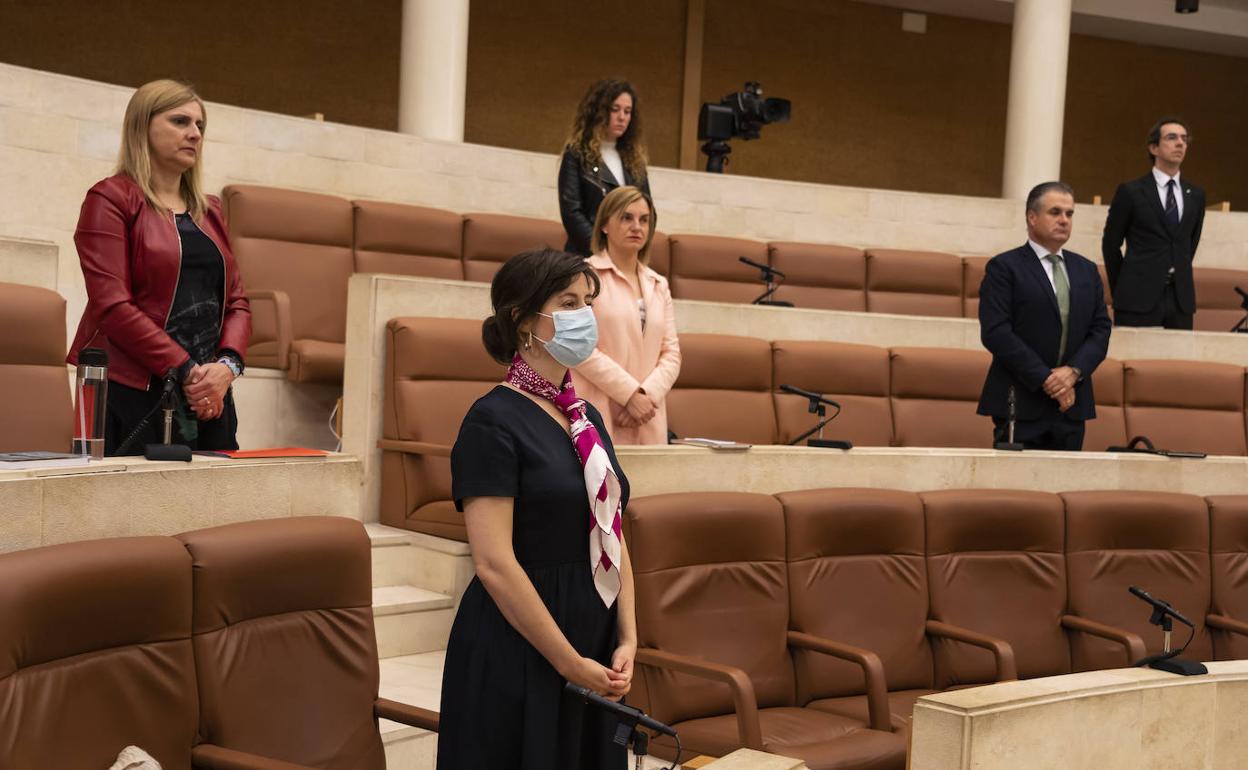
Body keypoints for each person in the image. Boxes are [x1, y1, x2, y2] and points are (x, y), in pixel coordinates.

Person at [438, 248, 635, 770]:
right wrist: (569, 662)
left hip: (592, 641)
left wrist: (628, 637)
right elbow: (494, 563)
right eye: (568, 302)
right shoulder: (491, 420)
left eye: (589, 302)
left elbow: (612, 530)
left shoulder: (585, 414)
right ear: (523, 319)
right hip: (521, 645)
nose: (585, 316)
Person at [67, 79, 250, 455]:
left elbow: (237, 302)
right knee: (132, 510)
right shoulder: (111, 199)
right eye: (180, 121)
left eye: (200, 125)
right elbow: (112, 305)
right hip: (135, 390)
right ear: (143, 126)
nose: (194, 134)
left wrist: (226, 367)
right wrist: (186, 369)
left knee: (215, 508)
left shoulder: (211, 210)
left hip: (208, 396)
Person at [977, 182, 1112, 451]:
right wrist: (1048, 379)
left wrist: (1073, 373)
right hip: (1021, 403)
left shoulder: (1086, 270)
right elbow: (997, 332)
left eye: (1070, 214)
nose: (1064, 220)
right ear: (1032, 217)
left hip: (1072, 405)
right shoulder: (1004, 267)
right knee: (1018, 492)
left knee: (1065, 490)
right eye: (1055, 212)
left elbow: (1100, 330)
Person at [573, 186, 680, 445]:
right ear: (605, 225)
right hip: (599, 407)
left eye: (644, 220)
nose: (637, 227)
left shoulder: (658, 283)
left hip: (647, 414)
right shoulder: (582, 276)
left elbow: (671, 353)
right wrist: (629, 395)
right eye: (626, 217)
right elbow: (579, 346)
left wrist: (645, 396)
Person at [1101, 117, 1206, 329]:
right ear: (1154, 148)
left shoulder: (1196, 194)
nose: (1180, 143)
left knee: (1177, 362)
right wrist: (1122, 287)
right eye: (1172, 137)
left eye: (1184, 139)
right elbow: (1110, 244)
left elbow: (1188, 243)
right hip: (1136, 298)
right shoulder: (1131, 192)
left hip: (1180, 300)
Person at [558, 79, 651, 256]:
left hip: (626, 258)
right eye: (614, 109)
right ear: (598, 112)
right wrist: (602, 250)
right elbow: (572, 212)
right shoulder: (576, 154)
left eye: (627, 111)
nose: (622, 117)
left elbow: (647, 208)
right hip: (586, 256)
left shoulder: (635, 159)